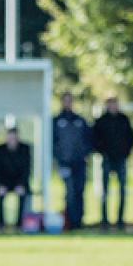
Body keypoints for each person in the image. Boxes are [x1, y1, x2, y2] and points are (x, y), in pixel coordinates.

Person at [92, 96, 133, 230]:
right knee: (104, 191)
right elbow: (95, 139)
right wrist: (103, 152)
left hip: (121, 158)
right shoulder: (101, 121)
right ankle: (104, 220)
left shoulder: (124, 120)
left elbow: (130, 138)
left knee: (122, 190)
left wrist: (126, 153)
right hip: (107, 159)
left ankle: (120, 220)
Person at [53, 91, 92, 230]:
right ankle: (69, 221)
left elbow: (88, 139)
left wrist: (86, 154)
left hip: (80, 163)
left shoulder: (80, 121)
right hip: (65, 163)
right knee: (70, 192)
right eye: (66, 100)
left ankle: (79, 221)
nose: (68, 103)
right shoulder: (56, 121)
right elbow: (53, 143)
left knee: (80, 191)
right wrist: (58, 160)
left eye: (70, 100)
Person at [0, 127, 31, 229]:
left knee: (23, 194)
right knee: (0, 194)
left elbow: (26, 169)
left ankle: (20, 223)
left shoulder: (25, 149)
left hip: (19, 181)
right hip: (4, 181)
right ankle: (0, 223)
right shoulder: (0, 149)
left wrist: (21, 184)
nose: (11, 140)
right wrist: (0, 184)